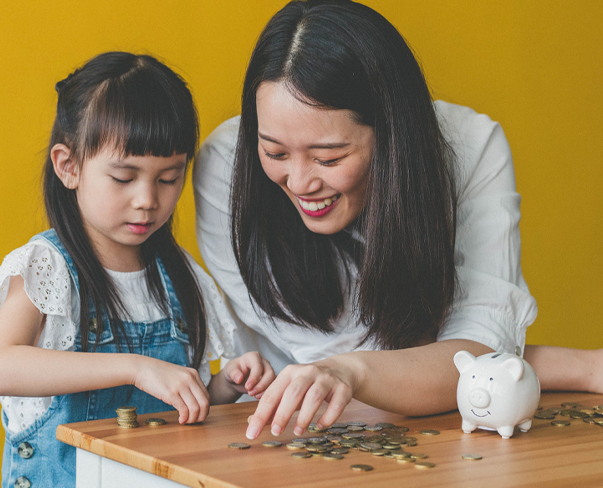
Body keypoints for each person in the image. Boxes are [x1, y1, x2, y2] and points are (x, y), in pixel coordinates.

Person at [193, 0, 602, 441]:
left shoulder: (472, 149)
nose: (299, 182)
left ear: (391, 134)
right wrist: (577, 366)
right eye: (274, 152)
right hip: (285, 434)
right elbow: (349, 373)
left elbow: (480, 352)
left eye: (328, 157)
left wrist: (350, 371)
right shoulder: (226, 169)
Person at [0, 52, 275, 488]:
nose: (147, 199)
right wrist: (136, 367)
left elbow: (177, 413)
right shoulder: (50, 266)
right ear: (69, 166)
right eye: (123, 177)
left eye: (168, 178)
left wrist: (227, 387)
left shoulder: (180, 278)